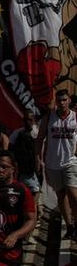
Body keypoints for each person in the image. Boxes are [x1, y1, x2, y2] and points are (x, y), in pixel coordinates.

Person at [36, 89, 77, 240]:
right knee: (61, 195)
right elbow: (39, 139)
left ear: (69, 100)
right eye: (59, 100)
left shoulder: (75, 117)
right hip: (52, 163)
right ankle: (70, 226)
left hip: (70, 161)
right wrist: (38, 158)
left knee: (73, 194)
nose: (62, 103)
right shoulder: (49, 118)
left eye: (64, 100)